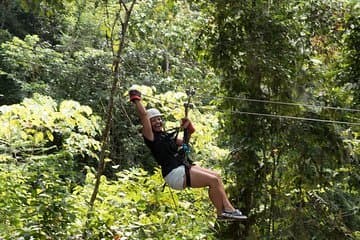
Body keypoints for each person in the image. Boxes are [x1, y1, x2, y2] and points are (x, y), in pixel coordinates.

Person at [129, 89, 247, 220]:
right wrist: (136, 99)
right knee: (212, 181)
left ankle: (224, 211)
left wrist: (188, 130)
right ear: (149, 124)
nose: (158, 122)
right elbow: (144, 116)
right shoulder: (151, 138)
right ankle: (226, 211)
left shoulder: (167, 137)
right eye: (154, 121)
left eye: (159, 119)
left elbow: (184, 143)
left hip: (182, 166)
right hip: (174, 173)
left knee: (217, 177)